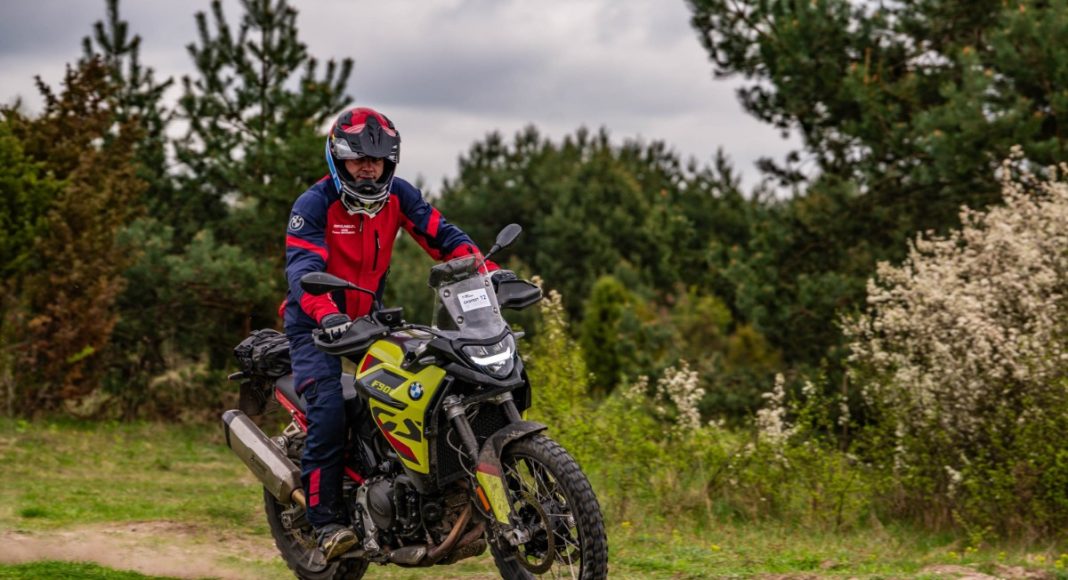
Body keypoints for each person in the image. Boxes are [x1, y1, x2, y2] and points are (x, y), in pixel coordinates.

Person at [282, 107, 508, 559]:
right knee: (328, 409)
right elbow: (303, 271)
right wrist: (326, 314)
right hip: (315, 324)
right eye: (358, 159)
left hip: (368, 318)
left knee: (422, 386)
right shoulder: (314, 204)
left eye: (378, 160)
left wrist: (490, 273)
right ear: (338, 159)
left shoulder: (399, 196)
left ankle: (410, 487)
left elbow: (445, 238)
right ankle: (325, 523)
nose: (369, 168)